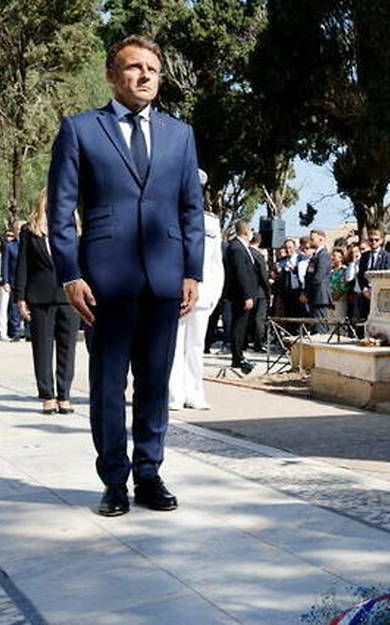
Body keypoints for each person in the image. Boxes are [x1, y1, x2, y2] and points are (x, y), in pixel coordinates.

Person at [47, 34, 204, 516]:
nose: (144, 76)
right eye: (133, 68)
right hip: (103, 285)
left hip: (163, 282)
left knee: (156, 384)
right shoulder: (80, 130)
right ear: (112, 76)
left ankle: (150, 473)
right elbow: (61, 209)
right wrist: (71, 273)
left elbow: (190, 208)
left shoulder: (180, 134)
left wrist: (192, 271)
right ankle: (114, 479)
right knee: (109, 387)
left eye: (152, 69)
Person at [14, 191, 80, 415]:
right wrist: (20, 298)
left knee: (68, 348)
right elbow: (22, 266)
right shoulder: (28, 232)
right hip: (40, 298)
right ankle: (48, 395)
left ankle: (64, 395)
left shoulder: (73, 230)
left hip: (69, 298)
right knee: (42, 349)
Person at [169, 171, 223, 411]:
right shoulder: (170, 217)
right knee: (175, 346)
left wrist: (213, 296)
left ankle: (195, 392)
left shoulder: (211, 222)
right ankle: (174, 395)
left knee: (195, 346)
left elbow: (215, 263)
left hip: (203, 295)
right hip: (175, 294)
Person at [223, 221, 261, 373]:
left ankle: (239, 355)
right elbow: (241, 273)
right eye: (251, 230)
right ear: (245, 232)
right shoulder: (237, 248)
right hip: (240, 295)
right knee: (238, 326)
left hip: (246, 293)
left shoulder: (241, 247)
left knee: (242, 326)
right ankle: (237, 358)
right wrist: (247, 295)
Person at [302, 229, 332, 329]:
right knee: (314, 326)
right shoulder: (316, 256)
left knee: (320, 327)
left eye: (312, 239)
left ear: (321, 239)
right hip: (314, 297)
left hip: (319, 297)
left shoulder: (323, 256)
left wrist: (307, 293)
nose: (310, 241)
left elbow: (318, 277)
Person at [247, 234, 271, 351]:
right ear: (259, 242)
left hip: (247, 291)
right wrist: (268, 291)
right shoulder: (258, 255)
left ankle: (244, 342)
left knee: (247, 318)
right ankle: (258, 343)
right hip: (260, 292)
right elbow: (263, 275)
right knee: (259, 319)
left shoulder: (244, 253)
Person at [2, 224, 25, 341]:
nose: (20, 231)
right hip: (14, 280)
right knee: (14, 307)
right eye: (18, 229)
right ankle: (16, 332)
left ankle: (29, 332)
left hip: (28, 281)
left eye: (22, 229)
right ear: (14, 231)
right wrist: (5, 281)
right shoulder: (9, 246)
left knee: (30, 306)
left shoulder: (29, 244)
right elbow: (5, 264)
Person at [329, 247, 351, 319]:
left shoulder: (344, 270)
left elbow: (344, 287)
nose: (332, 258)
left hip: (340, 301)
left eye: (334, 256)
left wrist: (334, 298)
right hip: (329, 301)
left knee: (340, 323)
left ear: (341, 258)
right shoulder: (330, 271)